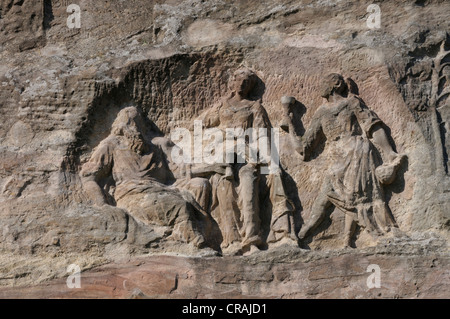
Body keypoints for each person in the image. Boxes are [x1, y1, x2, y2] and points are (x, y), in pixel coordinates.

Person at [287, 73, 404, 247]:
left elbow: (372, 126)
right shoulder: (322, 112)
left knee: (357, 196)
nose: (319, 87)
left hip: (359, 152)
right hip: (337, 156)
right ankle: (308, 232)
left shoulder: (352, 103)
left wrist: (389, 153)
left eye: (323, 83)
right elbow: (304, 147)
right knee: (332, 194)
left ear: (334, 85)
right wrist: (291, 123)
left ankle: (344, 239)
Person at [195, 68, 296, 254]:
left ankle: (251, 240)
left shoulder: (254, 107)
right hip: (222, 155)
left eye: (246, 82)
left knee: (248, 185)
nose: (241, 85)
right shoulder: (222, 106)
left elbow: (262, 135)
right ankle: (231, 240)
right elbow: (200, 123)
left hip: (246, 155)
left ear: (250, 87)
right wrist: (215, 136)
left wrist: (270, 162)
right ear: (231, 83)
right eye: (238, 81)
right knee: (224, 187)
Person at [80, 106, 211, 249]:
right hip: (133, 194)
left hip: (161, 189)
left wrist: (212, 167)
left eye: (137, 122)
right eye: (130, 122)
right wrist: (102, 205)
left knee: (197, 187)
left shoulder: (155, 146)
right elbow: (88, 177)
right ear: (121, 126)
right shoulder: (111, 145)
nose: (134, 127)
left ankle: (204, 236)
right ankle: (190, 243)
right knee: (179, 205)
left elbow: (180, 171)